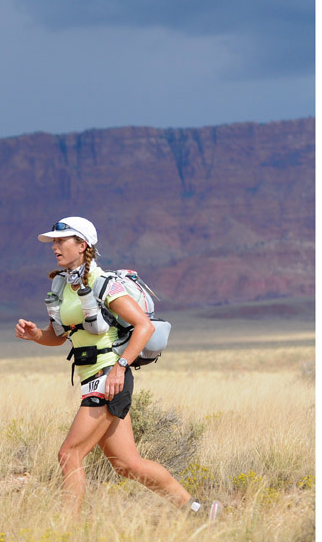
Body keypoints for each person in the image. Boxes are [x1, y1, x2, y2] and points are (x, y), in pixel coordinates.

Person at [14, 216, 218, 517]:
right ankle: (198, 511)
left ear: (82, 245)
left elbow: (144, 326)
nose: (55, 246)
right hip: (93, 378)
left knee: (69, 454)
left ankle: (65, 535)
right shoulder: (62, 285)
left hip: (108, 377)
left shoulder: (102, 284)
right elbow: (58, 338)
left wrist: (120, 367)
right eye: (54, 242)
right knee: (126, 465)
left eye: (62, 240)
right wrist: (35, 336)